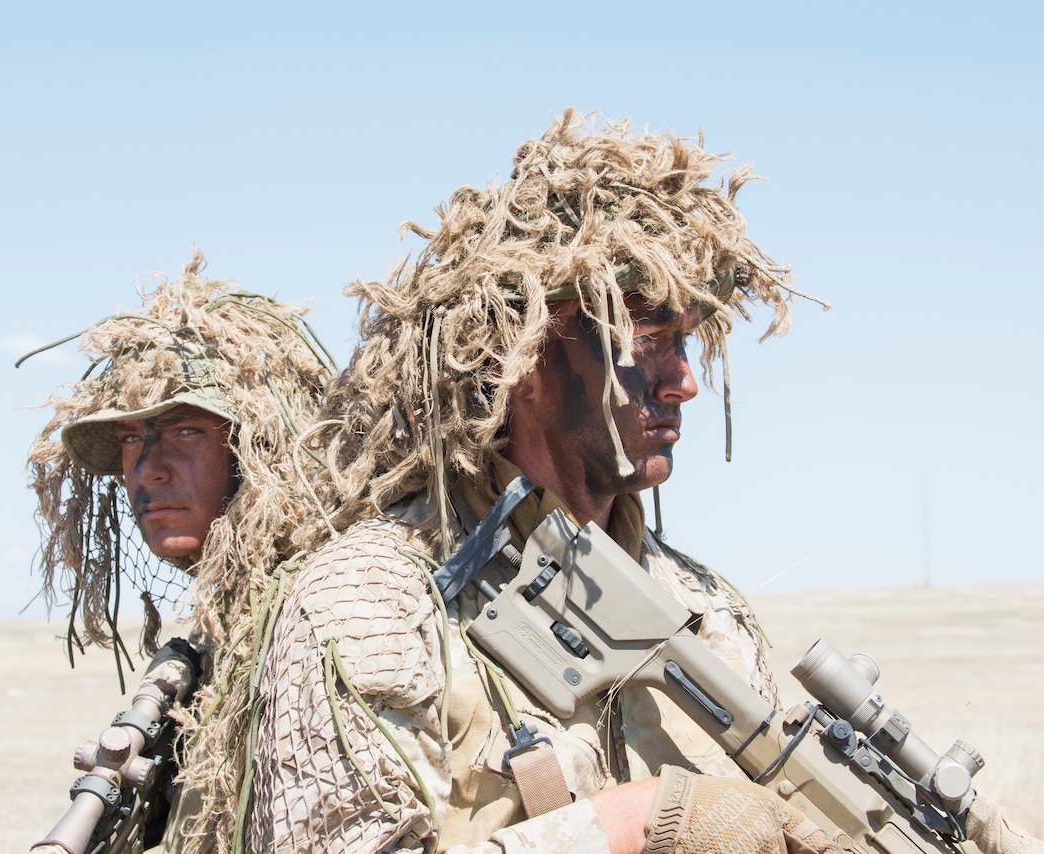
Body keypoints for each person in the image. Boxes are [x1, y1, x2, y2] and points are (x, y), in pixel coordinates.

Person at [244, 111, 842, 853]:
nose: (683, 381)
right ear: (519, 357)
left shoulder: (706, 611)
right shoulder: (375, 600)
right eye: (647, 340)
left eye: (683, 340)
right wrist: (630, 825)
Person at [24, 251, 333, 852]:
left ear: (261, 447)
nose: (149, 470)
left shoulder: (321, 614)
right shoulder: (236, 624)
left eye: (187, 431)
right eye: (132, 437)